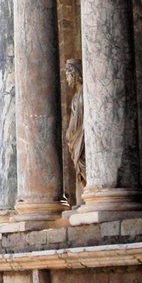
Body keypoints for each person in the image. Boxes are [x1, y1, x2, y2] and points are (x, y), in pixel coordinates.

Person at [64, 59, 86, 198]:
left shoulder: (84, 95)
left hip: (82, 137)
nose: (66, 79)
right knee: (79, 166)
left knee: (84, 164)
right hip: (75, 139)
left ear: (75, 74)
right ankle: (82, 199)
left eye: (68, 75)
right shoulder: (75, 98)